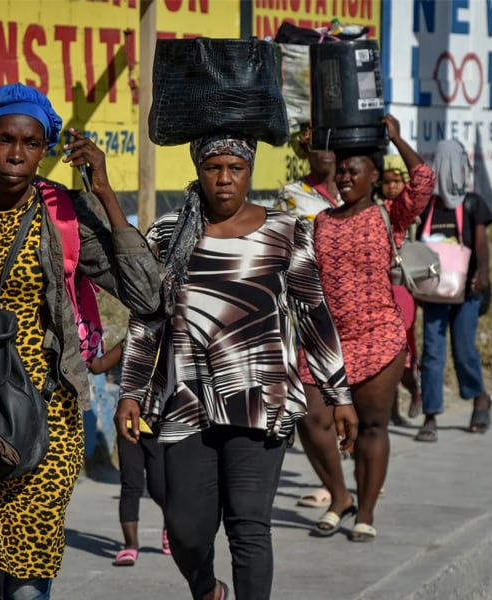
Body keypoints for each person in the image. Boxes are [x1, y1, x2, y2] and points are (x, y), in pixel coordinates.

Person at [0, 83, 162, 599]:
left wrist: (107, 195)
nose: (17, 153)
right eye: (5, 139)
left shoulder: (65, 214)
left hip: (46, 419)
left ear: (44, 150)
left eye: (31, 142)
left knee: (26, 586)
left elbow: (146, 295)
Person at [115, 131, 358, 600]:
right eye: (213, 168)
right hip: (186, 401)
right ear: (198, 171)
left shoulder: (285, 231)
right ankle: (206, 588)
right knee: (186, 528)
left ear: (249, 172)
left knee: (249, 526)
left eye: (236, 169)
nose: (224, 180)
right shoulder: (168, 233)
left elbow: (313, 313)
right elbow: (146, 320)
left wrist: (338, 393)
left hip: (260, 400)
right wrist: (131, 390)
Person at [297, 115, 436, 542]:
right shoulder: (321, 222)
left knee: (373, 426)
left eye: (353, 170)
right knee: (310, 416)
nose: (343, 177)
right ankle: (340, 498)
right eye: (340, 170)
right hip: (327, 342)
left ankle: (366, 510)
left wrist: (395, 137)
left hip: (378, 336)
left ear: (374, 175)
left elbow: (424, 180)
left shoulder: (387, 215)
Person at [278, 125, 343, 510]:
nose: (326, 155)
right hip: (312, 306)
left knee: (356, 402)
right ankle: (333, 484)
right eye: (317, 149)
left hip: (354, 309)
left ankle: (359, 477)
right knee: (316, 401)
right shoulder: (293, 195)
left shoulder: (356, 189)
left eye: (332, 148)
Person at [414, 139, 492, 443]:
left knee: (463, 350)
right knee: (432, 353)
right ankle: (431, 414)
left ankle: (479, 397)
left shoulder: (473, 203)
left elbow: (481, 244)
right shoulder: (429, 206)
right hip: (435, 290)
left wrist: (483, 273)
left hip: (467, 291)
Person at [89, 338, 169, 567]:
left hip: (161, 428)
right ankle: (130, 546)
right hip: (128, 427)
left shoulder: (176, 341)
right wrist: (83, 345)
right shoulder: (132, 340)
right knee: (131, 484)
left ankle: (170, 528)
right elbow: (99, 365)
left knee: (160, 487)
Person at [380, 154, 422, 426]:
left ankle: (415, 391)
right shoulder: (374, 210)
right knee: (384, 353)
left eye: (398, 181)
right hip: (381, 289)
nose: (392, 186)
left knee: (403, 349)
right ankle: (390, 410)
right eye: (387, 181)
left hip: (403, 288)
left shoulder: (406, 211)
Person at [276, 125, 340, 228]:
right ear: (305, 149)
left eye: (330, 145)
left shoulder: (353, 188)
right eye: (318, 146)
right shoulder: (291, 193)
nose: (325, 152)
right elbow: (282, 236)